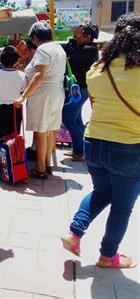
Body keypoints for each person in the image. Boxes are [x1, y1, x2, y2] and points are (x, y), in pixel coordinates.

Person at [61, 13, 139, 269]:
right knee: (122, 205)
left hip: (94, 142)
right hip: (129, 147)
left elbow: (95, 105)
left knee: (101, 192)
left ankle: (74, 234)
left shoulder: (97, 70)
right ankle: (108, 256)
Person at [14, 22, 66, 179]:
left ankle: (41, 169)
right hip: (57, 92)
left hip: (44, 94)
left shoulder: (43, 49)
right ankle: (47, 164)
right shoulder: (58, 48)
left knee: (41, 133)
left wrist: (23, 96)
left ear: (35, 38)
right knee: (49, 131)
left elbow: (39, 75)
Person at [62, 24, 99, 162]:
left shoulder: (91, 49)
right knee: (76, 119)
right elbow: (67, 51)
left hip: (81, 89)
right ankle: (79, 150)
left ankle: (81, 151)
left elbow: (73, 54)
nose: (76, 36)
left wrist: (74, 39)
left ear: (88, 37)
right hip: (76, 88)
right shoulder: (79, 46)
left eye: (80, 34)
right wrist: (75, 39)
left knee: (68, 118)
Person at [0, 46, 27, 140]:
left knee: (0, 136)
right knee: (14, 136)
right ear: (17, 61)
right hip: (15, 109)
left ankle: (0, 153)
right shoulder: (22, 75)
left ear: (0, 61)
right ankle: (13, 154)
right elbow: (23, 92)